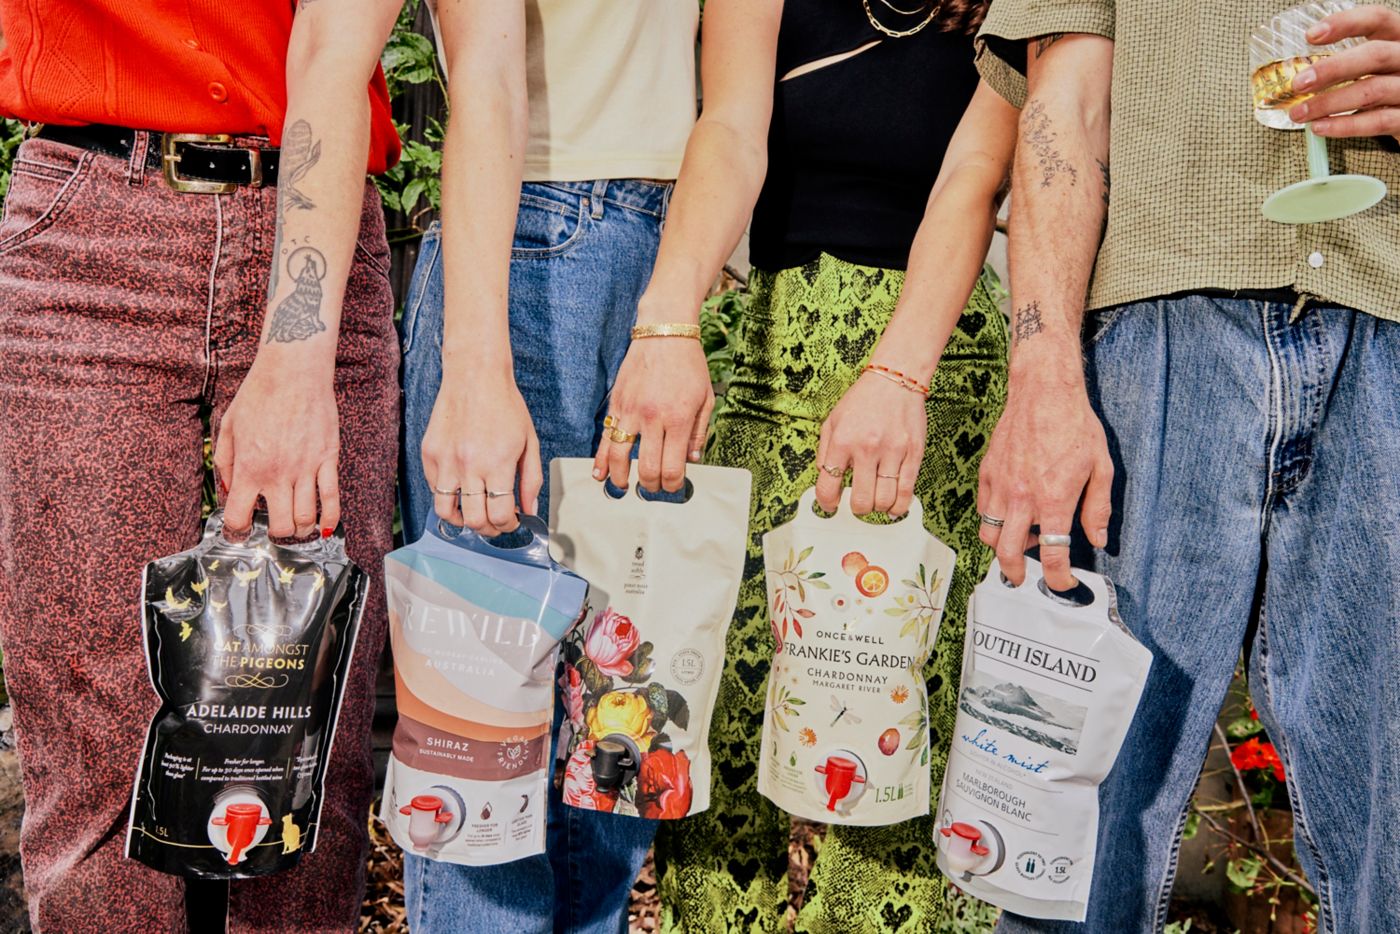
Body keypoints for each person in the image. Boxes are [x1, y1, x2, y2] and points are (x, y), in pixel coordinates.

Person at [973, 2, 1400, 930]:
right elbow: (1065, 96)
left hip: (1391, 317)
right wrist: (1043, 378)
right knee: (1080, 828)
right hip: (1159, 323)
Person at [593, 0, 1018, 928]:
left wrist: (899, 373)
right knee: (714, 726)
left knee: (901, 741)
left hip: (939, 366)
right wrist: (668, 320)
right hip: (762, 353)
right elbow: (731, 129)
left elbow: (973, 179)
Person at [0, 0, 404, 928]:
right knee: (92, 759)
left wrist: (297, 364)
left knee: (304, 751)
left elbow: (336, 49)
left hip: (313, 225)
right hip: (87, 233)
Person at [396, 1, 699, 929]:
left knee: (614, 768)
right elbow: (482, 69)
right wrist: (474, 363)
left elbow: (732, 109)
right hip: (526, 241)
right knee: (484, 786)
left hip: (668, 269)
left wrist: (676, 313)